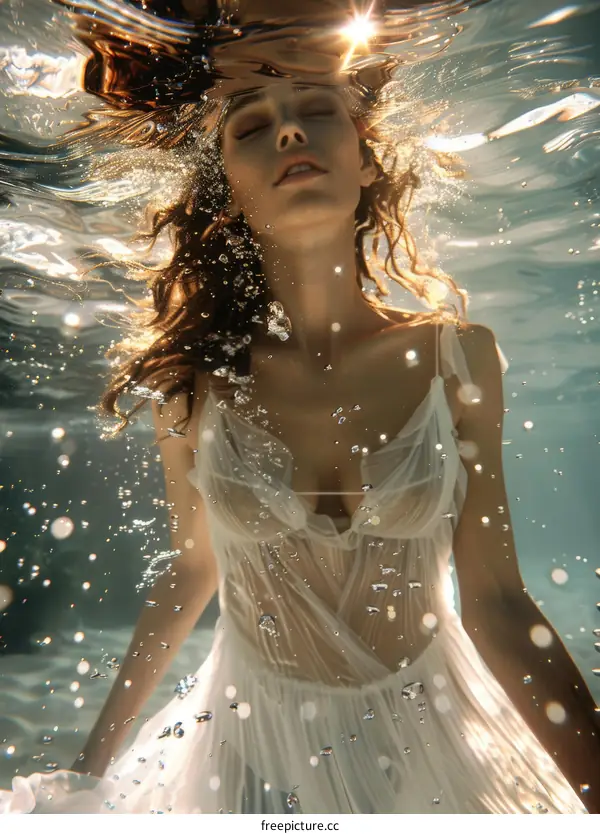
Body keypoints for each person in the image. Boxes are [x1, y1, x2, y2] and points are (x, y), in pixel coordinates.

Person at [2, 73, 599, 815]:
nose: (289, 132)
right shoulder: (195, 385)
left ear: (368, 160)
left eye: (318, 112)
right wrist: (90, 772)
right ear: (228, 193)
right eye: (251, 127)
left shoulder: (457, 357)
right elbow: (193, 570)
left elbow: (499, 602)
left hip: (436, 743)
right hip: (249, 746)